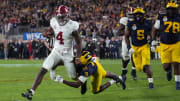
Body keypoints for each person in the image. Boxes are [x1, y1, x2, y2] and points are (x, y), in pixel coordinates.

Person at [21, 5, 82, 100]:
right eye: (59, 17)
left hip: (67, 53)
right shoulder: (53, 21)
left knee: (73, 77)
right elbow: (55, 33)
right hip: (56, 51)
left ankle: (82, 79)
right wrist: (48, 34)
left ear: (67, 16)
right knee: (43, 69)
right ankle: (31, 92)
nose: (60, 19)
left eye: (62, 17)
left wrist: (78, 57)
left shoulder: (72, 25)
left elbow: (78, 42)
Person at [54, 51, 126, 94]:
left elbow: (77, 85)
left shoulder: (89, 68)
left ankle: (114, 80)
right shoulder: (80, 59)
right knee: (106, 73)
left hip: (97, 72)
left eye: (79, 61)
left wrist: (62, 80)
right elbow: (68, 61)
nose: (77, 62)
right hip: (95, 63)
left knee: (95, 90)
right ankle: (118, 77)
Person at [151, 0, 180, 90]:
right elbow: (155, 29)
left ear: (176, 9)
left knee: (176, 63)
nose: (171, 11)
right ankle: (169, 71)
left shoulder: (179, 18)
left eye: (173, 9)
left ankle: (177, 83)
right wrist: (153, 40)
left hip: (176, 43)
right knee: (166, 67)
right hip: (164, 44)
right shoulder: (161, 17)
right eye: (169, 9)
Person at [125, 7, 154, 88]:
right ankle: (144, 69)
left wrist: (152, 42)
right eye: (136, 14)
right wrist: (129, 47)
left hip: (145, 46)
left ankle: (151, 83)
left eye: (140, 14)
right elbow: (126, 36)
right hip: (135, 47)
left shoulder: (147, 22)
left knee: (146, 65)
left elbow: (152, 32)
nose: (138, 16)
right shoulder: (130, 23)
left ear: (143, 15)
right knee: (139, 68)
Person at [118, 7, 137, 80]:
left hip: (135, 41)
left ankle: (134, 70)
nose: (131, 16)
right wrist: (128, 32)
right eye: (130, 15)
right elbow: (119, 32)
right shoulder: (124, 20)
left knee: (134, 55)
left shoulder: (138, 20)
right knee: (126, 57)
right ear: (127, 14)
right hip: (126, 40)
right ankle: (124, 70)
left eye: (132, 15)